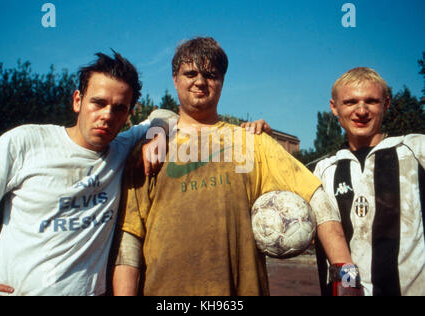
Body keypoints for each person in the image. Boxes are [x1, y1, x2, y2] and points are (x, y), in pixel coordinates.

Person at [112, 37, 357, 296]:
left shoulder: (253, 142)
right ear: (175, 79)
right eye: (190, 73)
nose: (200, 81)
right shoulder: (151, 149)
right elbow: (130, 239)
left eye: (210, 74)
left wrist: (348, 280)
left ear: (222, 81)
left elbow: (318, 200)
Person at [0, 51, 178, 296]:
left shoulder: (122, 148)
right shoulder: (25, 142)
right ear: (77, 101)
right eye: (99, 103)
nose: (107, 116)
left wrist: (156, 135)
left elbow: (166, 116)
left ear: (128, 115)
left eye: (119, 108)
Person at [314, 67, 425, 296]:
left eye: (371, 101)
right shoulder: (325, 170)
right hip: (348, 292)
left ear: (386, 104)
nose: (361, 111)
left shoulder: (416, 150)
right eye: (350, 102)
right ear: (334, 108)